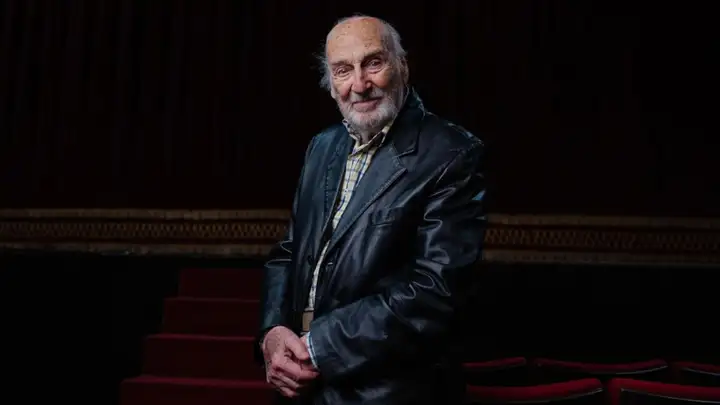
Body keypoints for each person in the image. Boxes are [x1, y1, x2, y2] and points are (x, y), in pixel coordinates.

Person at [255, 14, 487, 405]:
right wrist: (273, 332)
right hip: (303, 385)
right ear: (331, 85)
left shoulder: (453, 153)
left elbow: (436, 290)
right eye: (343, 70)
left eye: (373, 63)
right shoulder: (321, 147)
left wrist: (319, 346)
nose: (360, 85)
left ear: (403, 67)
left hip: (388, 391)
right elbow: (289, 253)